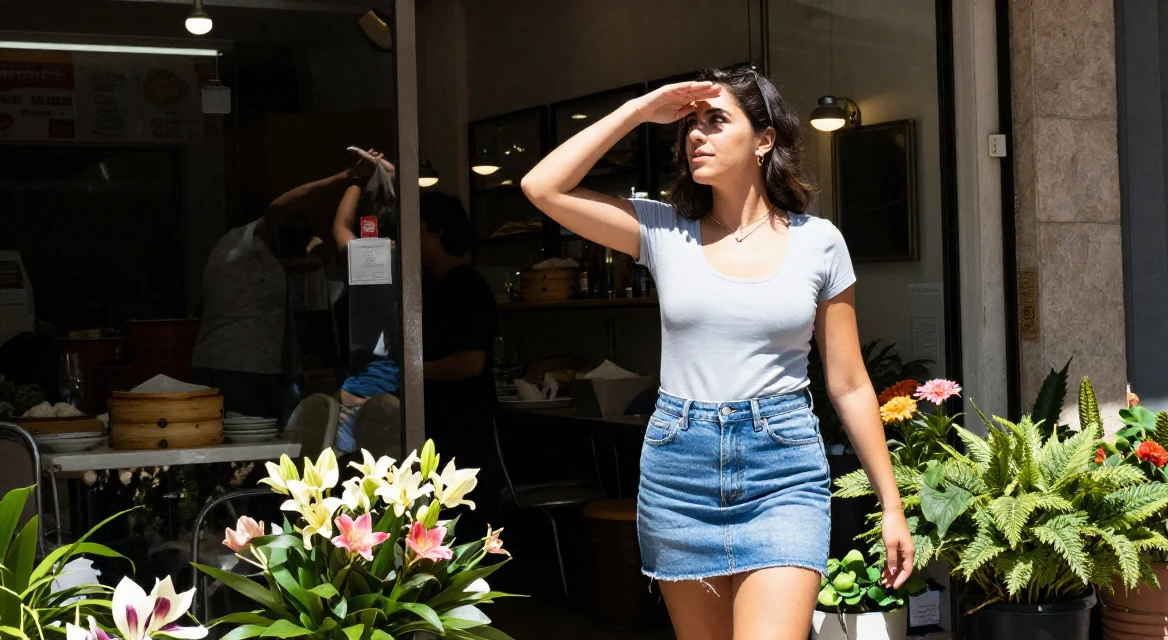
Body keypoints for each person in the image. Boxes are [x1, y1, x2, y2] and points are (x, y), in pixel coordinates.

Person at [521, 66, 914, 639]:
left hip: (782, 471)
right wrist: (640, 110)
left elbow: (849, 383)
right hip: (680, 470)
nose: (696, 135)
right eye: (691, 125)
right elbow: (542, 188)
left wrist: (891, 503)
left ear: (764, 139)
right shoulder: (663, 231)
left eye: (716, 120)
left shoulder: (819, 242)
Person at [333, 164, 498, 474]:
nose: (407, 235)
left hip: (459, 428)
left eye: (415, 226)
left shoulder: (466, 285)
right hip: (436, 425)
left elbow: (470, 363)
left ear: (437, 231)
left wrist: (406, 371)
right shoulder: (422, 282)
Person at [192, 159, 375, 418]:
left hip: (238, 364)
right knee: (250, 435)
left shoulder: (248, 258)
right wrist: (351, 176)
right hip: (239, 366)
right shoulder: (244, 240)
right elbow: (287, 204)